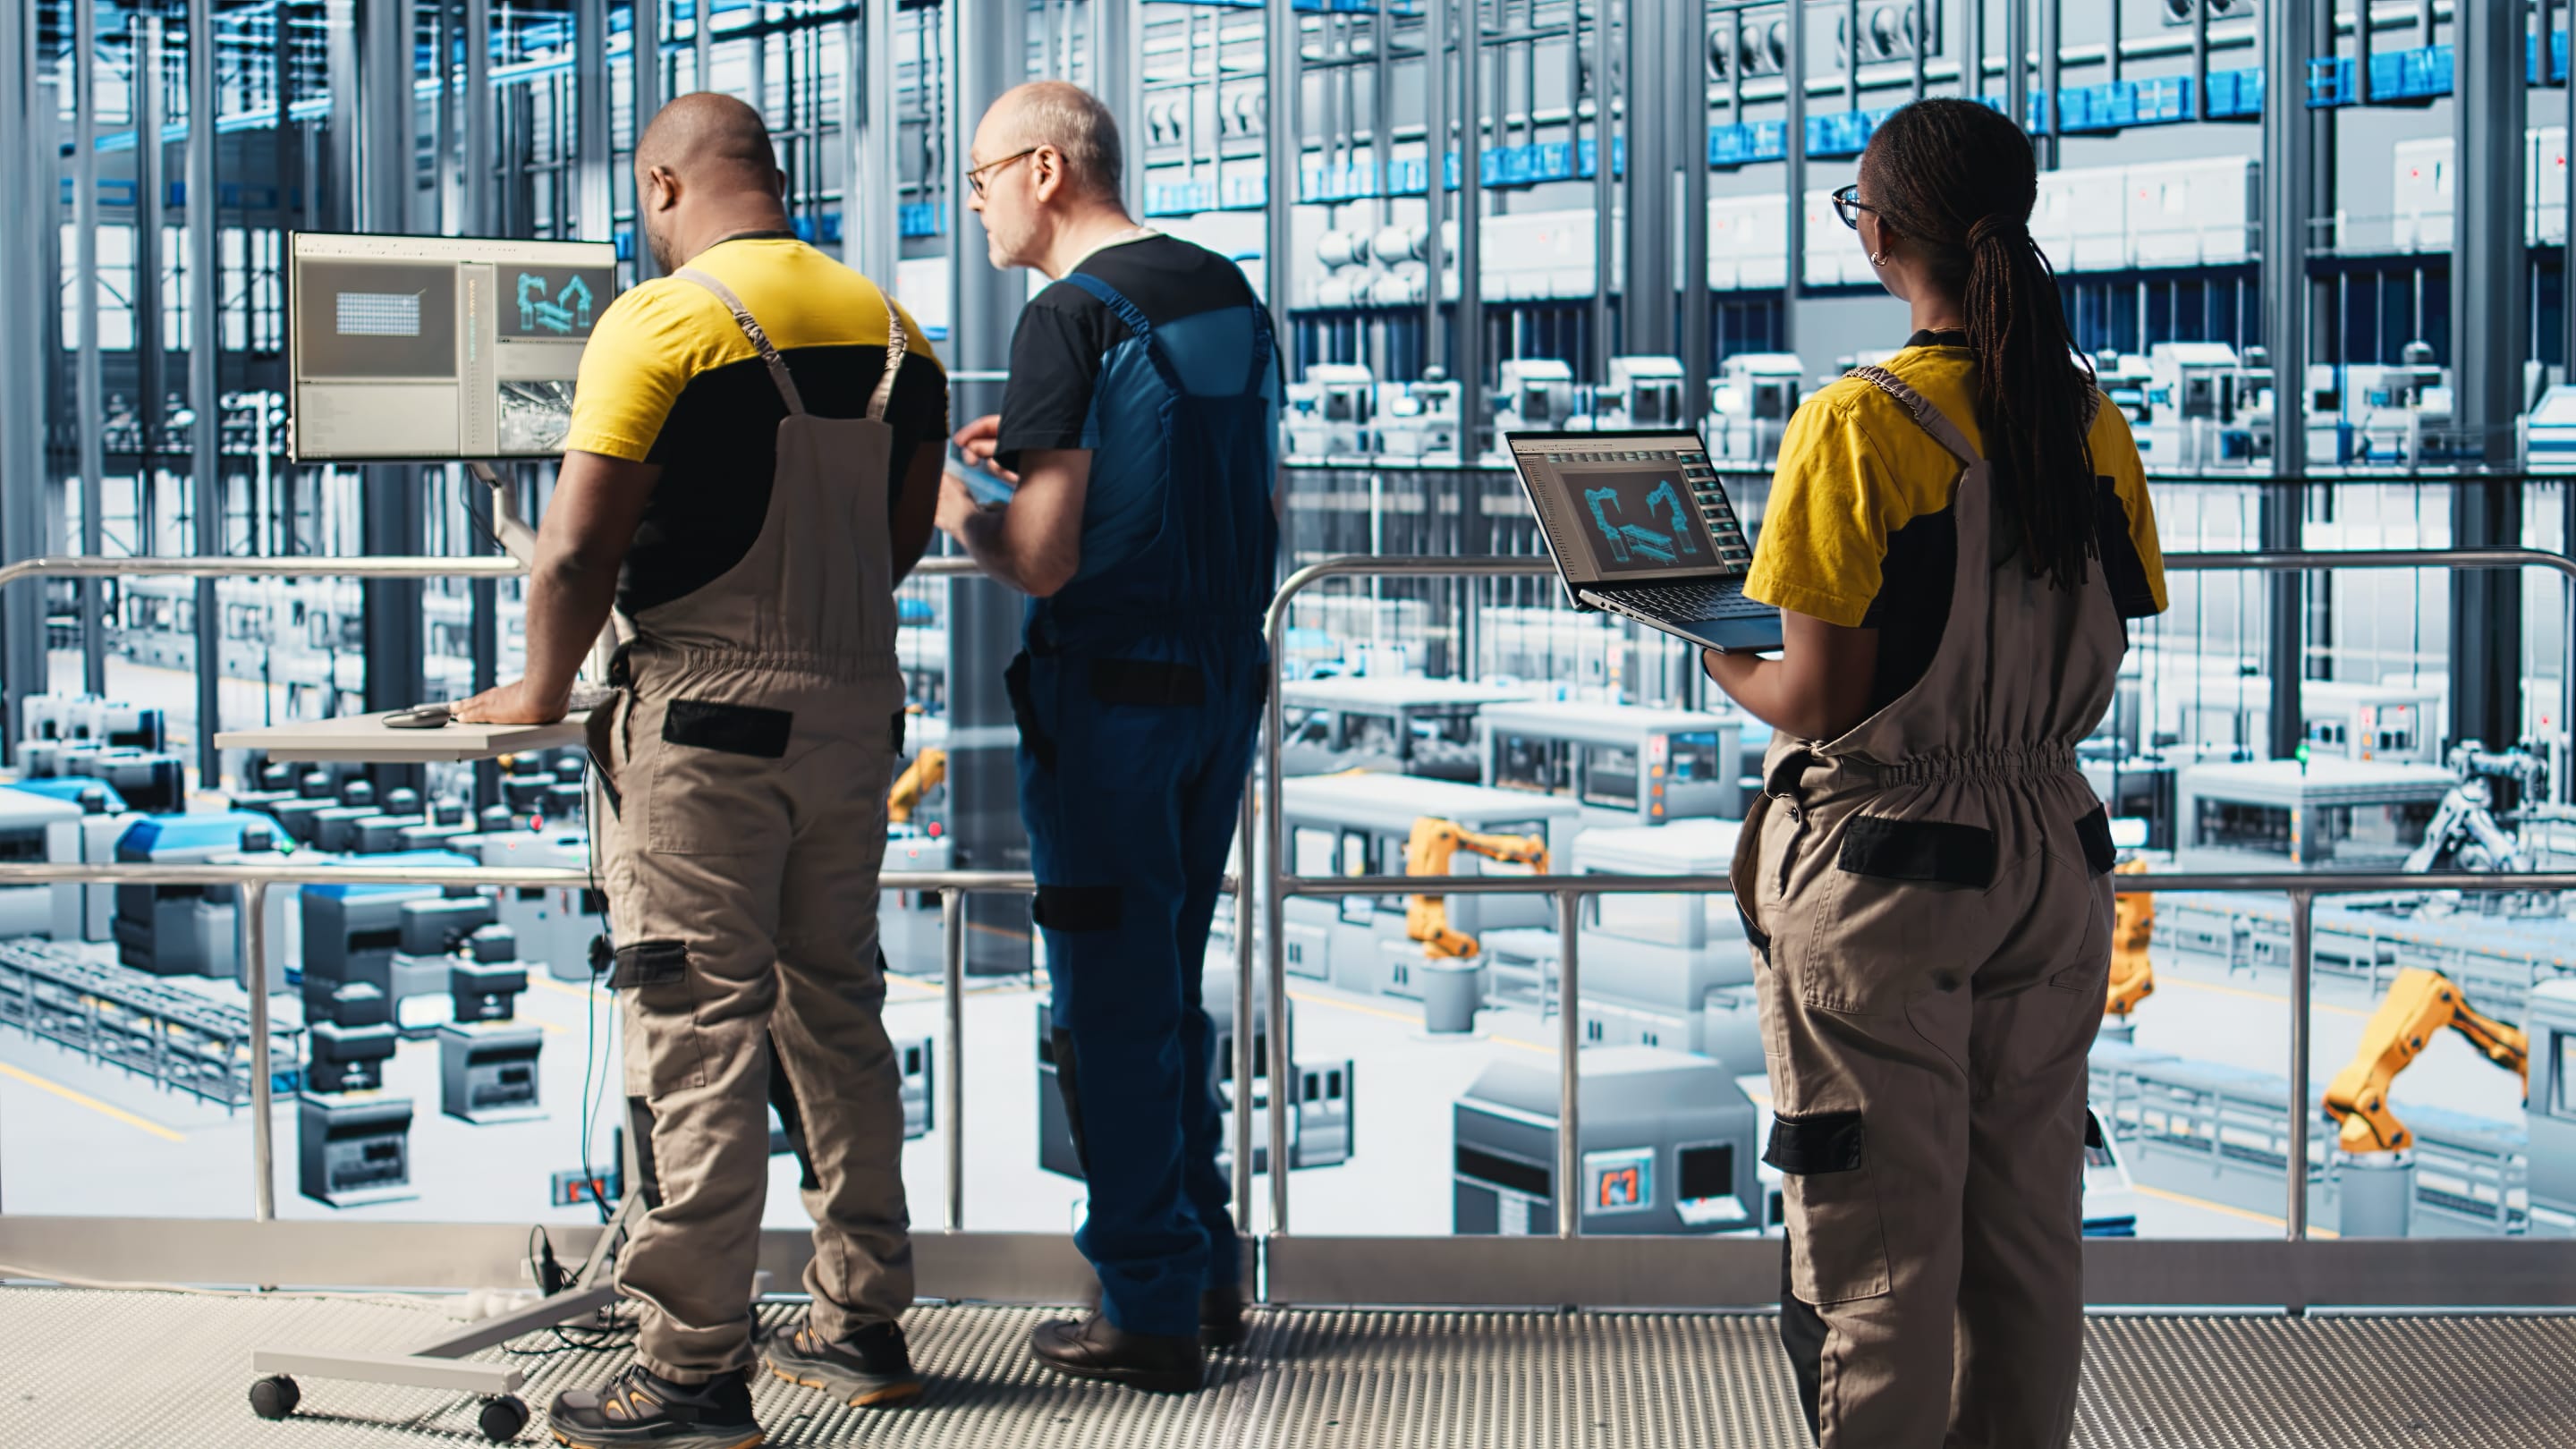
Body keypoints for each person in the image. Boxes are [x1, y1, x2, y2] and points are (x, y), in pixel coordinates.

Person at [453, 92, 949, 1449]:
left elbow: (574, 551)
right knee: (838, 1013)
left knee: (700, 1030)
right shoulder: (899, 333)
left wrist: (544, 689)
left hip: (706, 729)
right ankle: (860, 1323)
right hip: (856, 716)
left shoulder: (660, 322)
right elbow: (896, 544)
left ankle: (689, 1370)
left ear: (664, 187)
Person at [1703, 97, 2166, 1447]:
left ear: (1882, 232)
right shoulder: (2087, 415)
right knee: (2026, 1229)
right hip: (2053, 854)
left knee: (1884, 1249)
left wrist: (1705, 646)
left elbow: (1820, 696)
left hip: (1888, 874)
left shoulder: (1859, 422)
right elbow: (2114, 617)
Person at [939, 80, 1278, 1394]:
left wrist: (965, 503)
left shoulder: (1064, 315)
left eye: (981, 178)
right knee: (1165, 981)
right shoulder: (1223, 291)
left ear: (1043, 168)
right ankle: (1205, 1271)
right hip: (1219, 678)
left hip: (1111, 703)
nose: (973, 204)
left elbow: (1040, 558)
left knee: (1104, 1000)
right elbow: (1242, 487)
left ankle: (1144, 1308)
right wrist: (1035, 449)